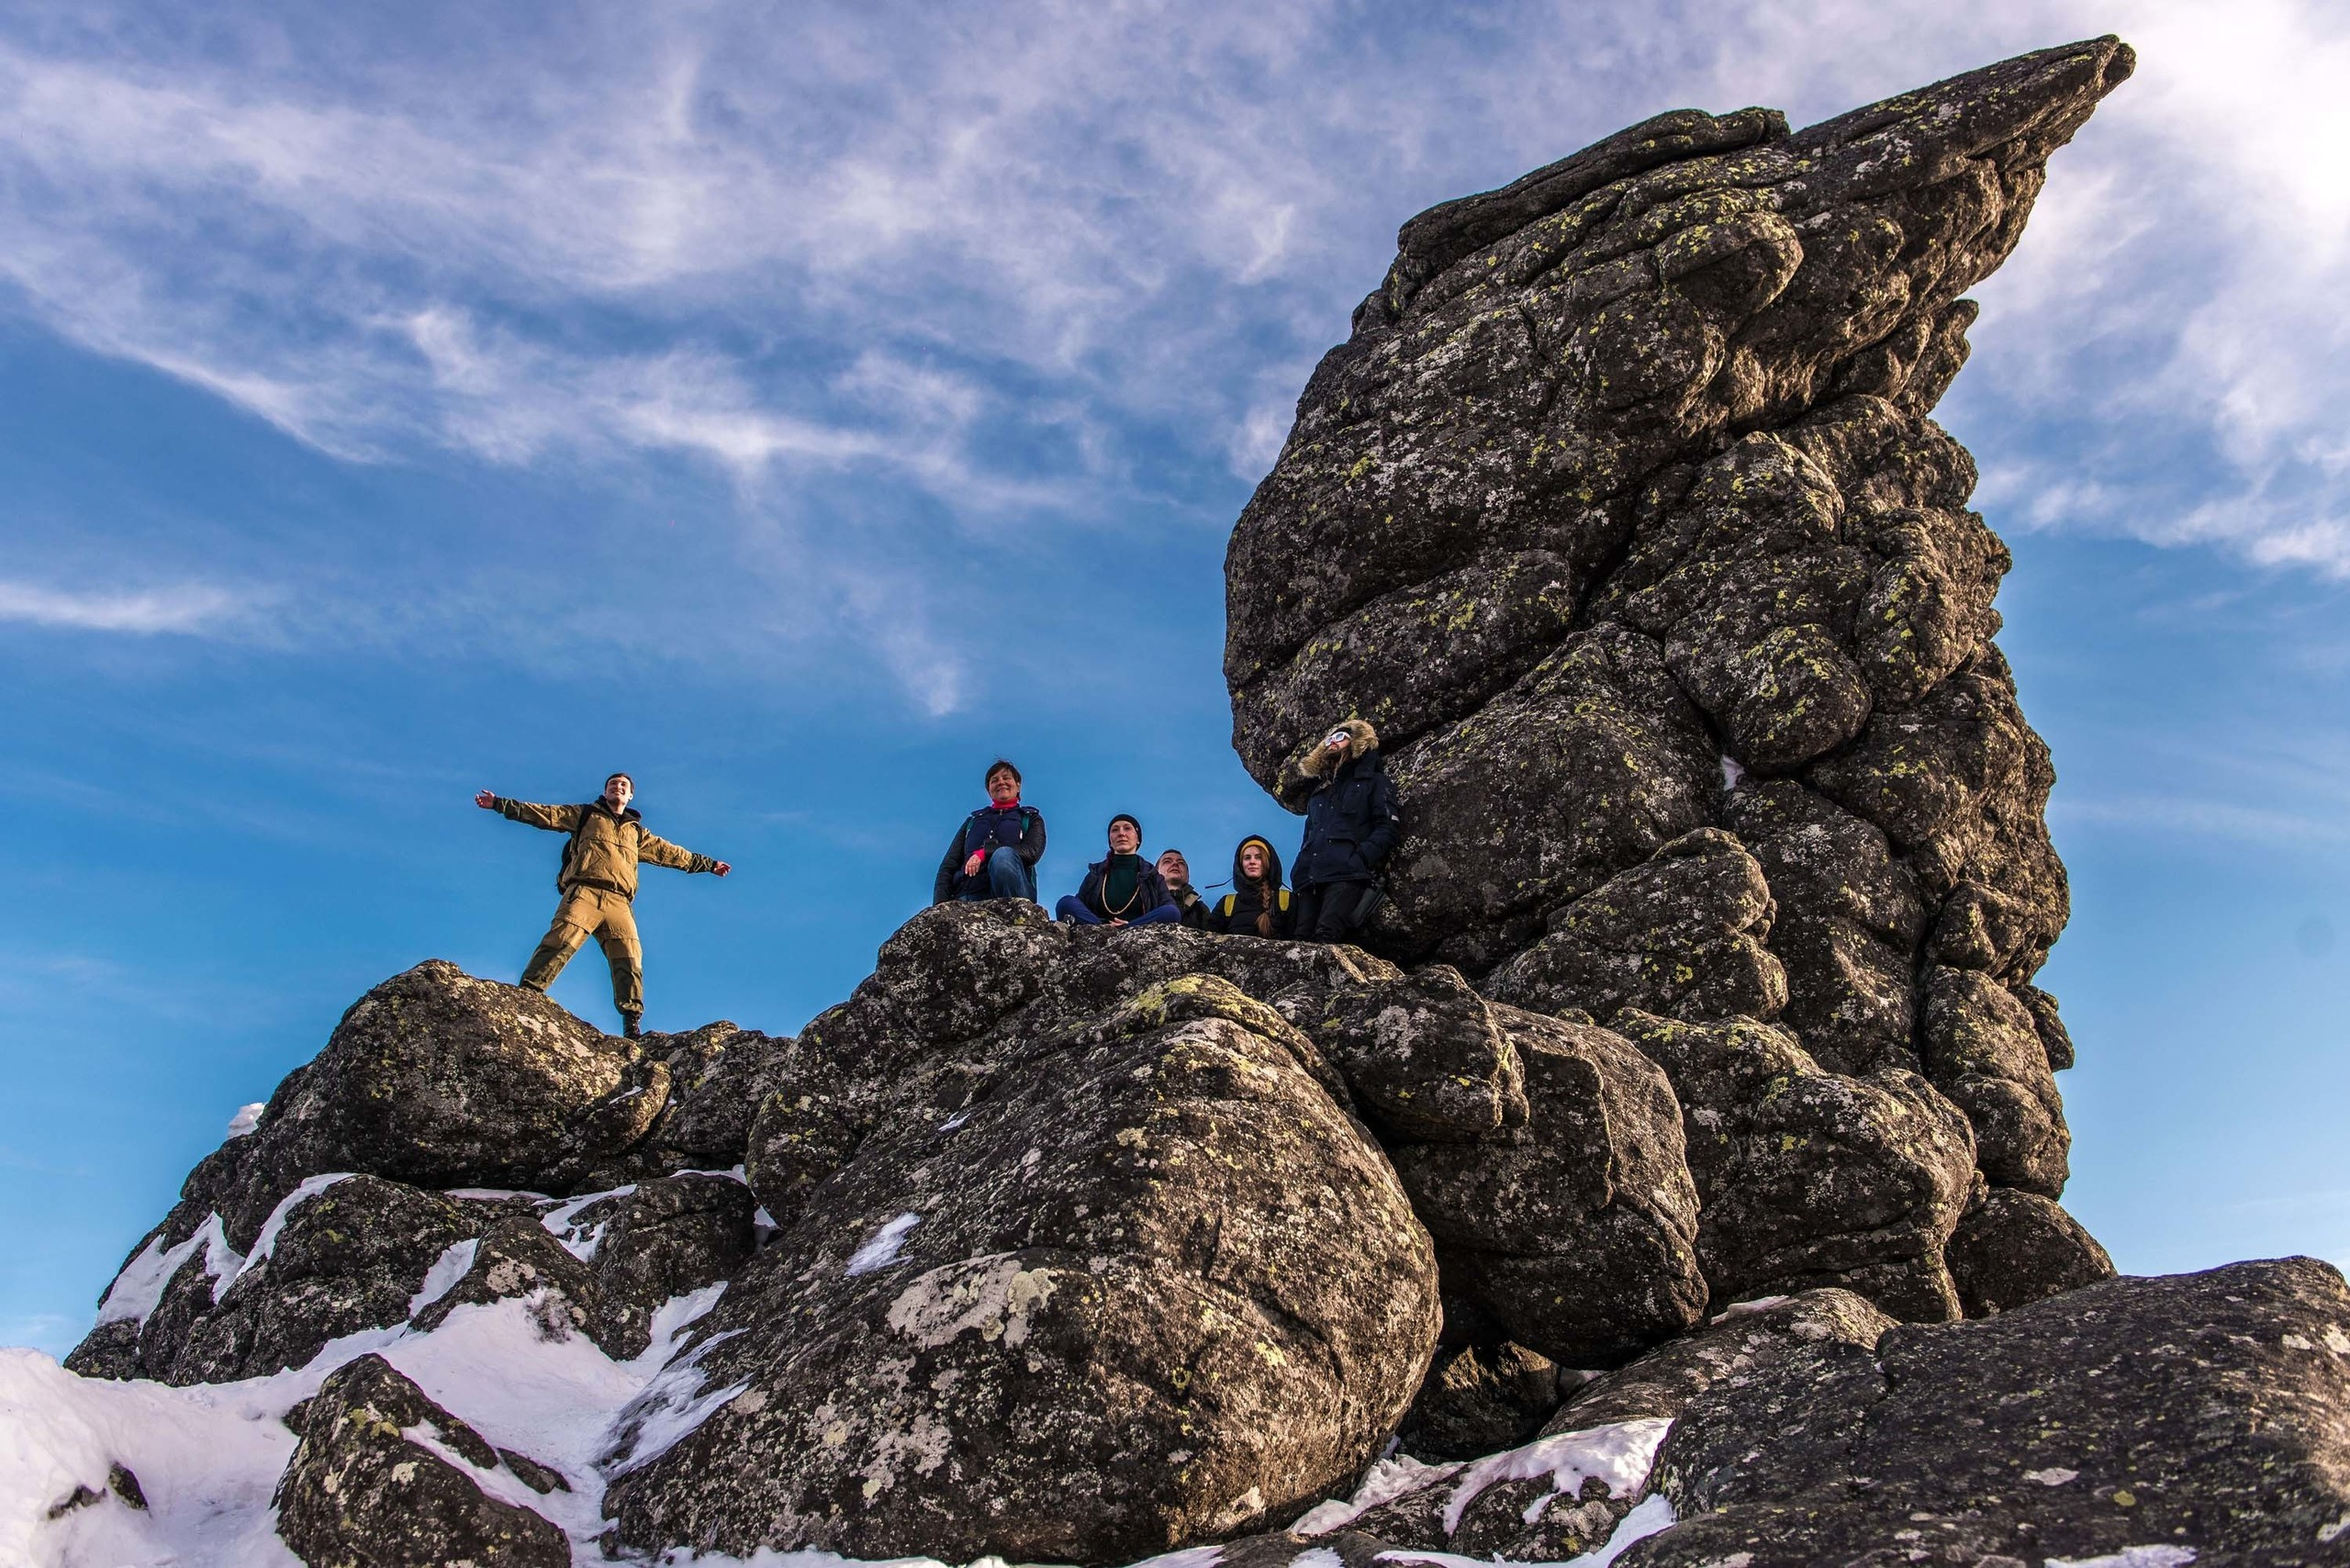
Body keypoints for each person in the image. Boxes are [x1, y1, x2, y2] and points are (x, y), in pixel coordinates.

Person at [476, 774, 730, 1038]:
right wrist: (499, 804)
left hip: (619, 901)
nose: (617, 787)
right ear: (605, 791)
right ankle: (527, 994)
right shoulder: (586, 815)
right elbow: (546, 814)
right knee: (560, 940)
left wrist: (708, 864)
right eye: (612, 784)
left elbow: (672, 853)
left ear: (630, 795)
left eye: (623, 785)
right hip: (584, 891)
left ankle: (632, 1024)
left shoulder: (636, 832)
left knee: (630, 958)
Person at [1292, 718, 1401, 945]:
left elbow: (1387, 826)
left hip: (1346, 875)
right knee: (1299, 942)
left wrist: (1359, 858)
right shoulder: (1319, 793)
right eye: (1330, 739)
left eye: (1340, 737)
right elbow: (1308, 836)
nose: (1332, 742)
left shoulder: (1373, 781)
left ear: (1357, 742)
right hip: (1309, 878)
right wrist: (1299, 867)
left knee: (1327, 936)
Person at [933, 759, 1046, 904]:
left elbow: (1032, 852)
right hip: (967, 897)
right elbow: (948, 866)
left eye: (1006, 778)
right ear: (989, 790)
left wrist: (984, 853)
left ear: (1018, 786)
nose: (1001, 782)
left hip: (1014, 895)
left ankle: (1010, 912)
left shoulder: (1030, 818)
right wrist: (939, 907)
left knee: (1003, 855)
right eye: (994, 780)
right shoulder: (973, 821)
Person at [1057, 814, 1181, 926]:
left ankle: (1128, 929)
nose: (1121, 833)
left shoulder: (1151, 875)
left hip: (1137, 929)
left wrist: (1129, 926)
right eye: (1115, 830)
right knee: (1065, 902)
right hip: (1098, 926)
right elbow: (1079, 905)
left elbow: (1170, 910)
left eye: (1127, 828)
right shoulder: (1096, 873)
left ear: (1138, 839)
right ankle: (1101, 929)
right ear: (1110, 840)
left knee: (1171, 912)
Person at [1209, 834, 1293, 937]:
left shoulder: (1287, 900)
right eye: (1247, 858)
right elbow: (1210, 941)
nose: (1252, 862)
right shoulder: (1227, 903)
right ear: (1240, 864)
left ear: (1267, 862)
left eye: (1258, 857)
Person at [1156, 849, 1211, 930]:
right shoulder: (1146, 901)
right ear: (1156, 873)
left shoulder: (1199, 908)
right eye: (1167, 861)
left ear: (1188, 876)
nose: (1175, 864)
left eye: (1181, 863)